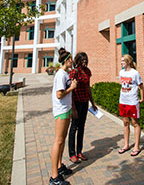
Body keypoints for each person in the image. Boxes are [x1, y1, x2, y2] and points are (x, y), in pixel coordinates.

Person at [50, 48, 77, 185]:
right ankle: (54, 177)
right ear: (67, 60)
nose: (73, 62)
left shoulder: (65, 74)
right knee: (58, 141)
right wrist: (71, 88)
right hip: (61, 111)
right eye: (71, 59)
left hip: (66, 109)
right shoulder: (61, 74)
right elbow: (59, 94)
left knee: (62, 139)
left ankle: (59, 167)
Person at [68, 52, 97, 162]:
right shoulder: (74, 72)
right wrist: (73, 108)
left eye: (86, 59)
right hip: (76, 102)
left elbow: (88, 88)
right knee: (74, 127)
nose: (85, 61)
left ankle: (79, 151)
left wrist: (92, 103)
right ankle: (72, 154)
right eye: (83, 59)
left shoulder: (87, 72)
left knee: (81, 127)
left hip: (84, 102)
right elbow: (71, 91)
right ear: (78, 60)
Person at [118, 54, 144, 156]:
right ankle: (126, 145)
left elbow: (141, 86)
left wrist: (142, 98)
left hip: (132, 102)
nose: (121, 63)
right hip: (123, 101)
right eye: (121, 61)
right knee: (125, 122)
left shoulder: (135, 73)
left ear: (128, 62)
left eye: (123, 61)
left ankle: (136, 146)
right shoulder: (121, 72)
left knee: (135, 123)